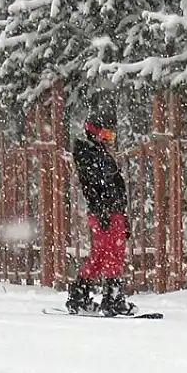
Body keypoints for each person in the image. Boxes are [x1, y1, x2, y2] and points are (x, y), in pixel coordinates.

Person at [64, 108, 136, 316]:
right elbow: (93, 186)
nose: (109, 139)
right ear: (94, 131)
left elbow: (109, 186)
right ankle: (113, 299)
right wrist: (104, 210)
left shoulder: (97, 152)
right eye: (106, 134)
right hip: (107, 212)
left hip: (111, 211)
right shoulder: (89, 154)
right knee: (114, 254)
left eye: (111, 135)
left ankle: (79, 296)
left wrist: (121, 215)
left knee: (101, 255)